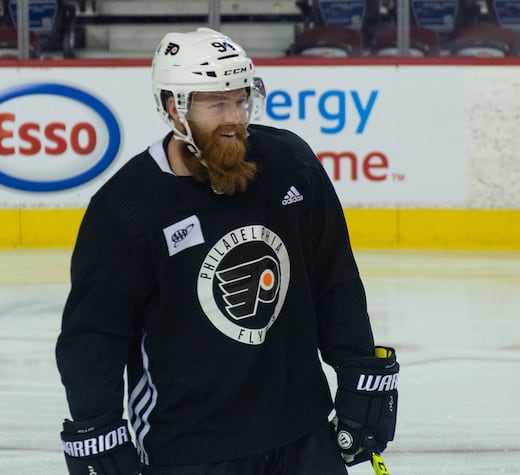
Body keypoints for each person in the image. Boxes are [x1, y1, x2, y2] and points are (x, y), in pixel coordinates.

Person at [55, 27, 398, 475]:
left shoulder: (289, 165)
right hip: (191, 447)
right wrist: (96, 425)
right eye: (217, 104)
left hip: (303, 432)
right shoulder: (128, 208)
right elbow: (94, 333)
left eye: (241, 99)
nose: (235, 117)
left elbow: (333, 279)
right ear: (174, 108)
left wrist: (358, 370)